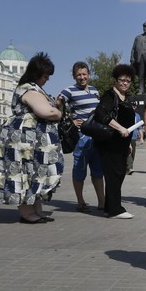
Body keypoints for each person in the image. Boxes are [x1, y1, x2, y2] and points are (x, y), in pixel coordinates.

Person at [0, 53, 64, 222]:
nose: (47, 79)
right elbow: (46, 111)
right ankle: (27, 213)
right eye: (45, 76)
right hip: (23, 142)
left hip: (31, 142)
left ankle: (35, 209)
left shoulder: (34, 88)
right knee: (25, 172)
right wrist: (58, 113)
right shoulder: (28, 88)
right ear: (36, 74)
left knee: (35, 173)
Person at [57, 61, 104, 213]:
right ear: (74, 76)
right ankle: (80, 202)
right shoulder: (69, 90)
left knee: (98, 171)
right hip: (82, 137)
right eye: (79, 75)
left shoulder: (95, 90)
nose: (82, 77)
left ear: (89, 75)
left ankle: (102, 202)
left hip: (96, 137)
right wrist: (69, 120)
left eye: (84, 74)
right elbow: (57, 103)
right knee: (80, 170)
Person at [93, 64, 137, 219]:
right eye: (122, 80)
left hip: (122, 145)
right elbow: (101, 114)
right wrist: (119, 128)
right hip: (110, 143)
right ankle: (115, 209)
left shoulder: (127, 98)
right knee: (114, 175)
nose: (125, 83)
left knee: (119, 174)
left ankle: (108, 206)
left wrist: (129, 145)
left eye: (128, 81)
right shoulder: (110, 96)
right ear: (116, 80)